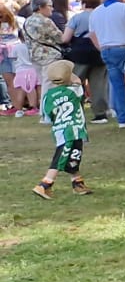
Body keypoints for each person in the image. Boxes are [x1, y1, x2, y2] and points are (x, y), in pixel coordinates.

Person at [33, 59, 91, 199]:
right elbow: (77, 81)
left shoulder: (48, 96)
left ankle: (78, 183)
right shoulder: (74, 91)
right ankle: (45, 184)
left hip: (59, 130)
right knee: (61, 158)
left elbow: (47, 116)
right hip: (73, 130)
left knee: (73, 156)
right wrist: (71, 76)